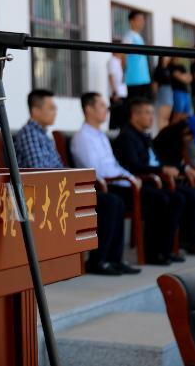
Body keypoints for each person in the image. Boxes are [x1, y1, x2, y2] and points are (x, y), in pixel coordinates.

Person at [113, 98, 195, 264]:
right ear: (135, 116)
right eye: (147, 113)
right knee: (163, 199)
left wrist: (181, 169)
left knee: (180, 197)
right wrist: (161, 171)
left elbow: (160, 162)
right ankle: (153, 253)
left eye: (152, 113)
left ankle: (167, 250)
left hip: (154, 181)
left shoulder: (144, 136)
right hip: (136, 185)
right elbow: (134, 166)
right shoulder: (127, 137)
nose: (151, 117)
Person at [69, 93, 140, 275]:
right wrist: (126, 180)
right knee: (114, 201)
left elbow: (114, 165)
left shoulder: (101, 136)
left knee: (121, 200)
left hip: (113, 183)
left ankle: (115, 259)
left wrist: (131, 178)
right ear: (89, 109)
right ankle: (98, 260)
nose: (106, 110)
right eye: (102, 105)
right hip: (94, 186)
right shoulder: (82, 137)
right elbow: (96, 171)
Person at [152, 116, 195, 252]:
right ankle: (189, 238)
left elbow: (177, 163)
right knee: (193, 196)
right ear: (186, 131)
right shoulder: (169, 137)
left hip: (173, 176)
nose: (191, 140)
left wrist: (186, 169)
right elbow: (164, 162)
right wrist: (184, 169)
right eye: (191, 136)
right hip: (161, 178)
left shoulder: (179, 138)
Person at [13, 89, 63, 169]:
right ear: (36, 111)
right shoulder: (29, 133)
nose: (55, 112)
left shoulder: (43, 134)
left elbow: (59, 166)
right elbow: (39, 170)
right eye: (51, 108)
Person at [122, 11, 151, 100]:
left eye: (143, 20)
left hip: (143, 78)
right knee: (135, 104)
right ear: (132, 21)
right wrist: (124, 73)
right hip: (133, 79)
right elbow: (123, 56)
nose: (142, 22)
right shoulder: (128, 37)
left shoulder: (139, 37)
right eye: (139, 19)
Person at [107, 48, 127, 130]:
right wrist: (114, 91)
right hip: (117, 93)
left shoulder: (119, 61)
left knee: (121, 116)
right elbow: (111, 76)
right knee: (115, 116)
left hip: (122, 93)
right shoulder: (112, 61)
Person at [153, 56, 174, 131]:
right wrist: (155, 94)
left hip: (169, 93)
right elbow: (155, 84)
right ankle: (161, 133)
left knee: (167, 118)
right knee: (162, 117)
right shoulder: (158, 69)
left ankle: (165, 133)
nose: (167, 58)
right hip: (163, 93)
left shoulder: (168, 68)